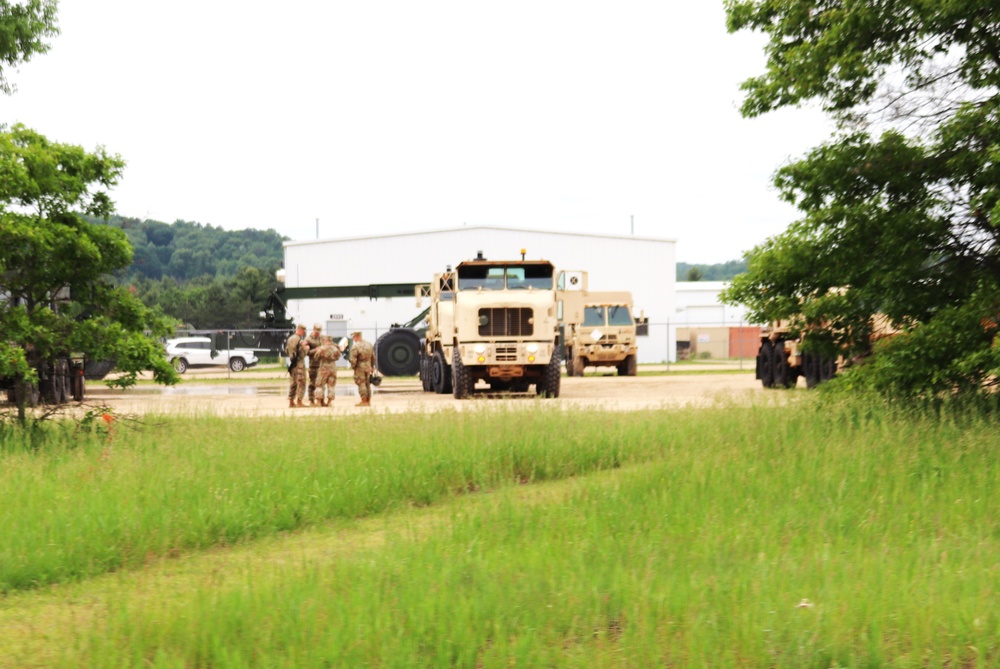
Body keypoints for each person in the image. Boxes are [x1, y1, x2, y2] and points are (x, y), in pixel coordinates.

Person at [348, 330, 375, 407]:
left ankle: (364, 401)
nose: (354, 339)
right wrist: (372, 366)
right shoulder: (369, 345)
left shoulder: (356, 346)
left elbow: (353, 359)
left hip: (360, 367)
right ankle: (368, 401)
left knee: (361, 383)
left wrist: (354, 367)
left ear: (356, 337)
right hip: (368, 366)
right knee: (367, 384)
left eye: (354, 337)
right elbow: (373, 357)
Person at [313, 334, 342, 406]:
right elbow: (338, 357)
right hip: (333, 368)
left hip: (323, 368)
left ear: (325, 340)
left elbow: (316, 357)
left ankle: (319, 402)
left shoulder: (322, 348)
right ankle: (330, 402)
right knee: (331, 385)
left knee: (319, 385)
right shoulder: (335, 349)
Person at [285, 323, 309, 408]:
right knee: (301, 382)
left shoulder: (290, 339)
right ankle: (299, 401)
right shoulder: (299, 340)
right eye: (304, 331)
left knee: (293, 383)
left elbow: (287, 351)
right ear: (300, 330)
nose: (304, 332)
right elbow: (302, 353)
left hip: (292, 364)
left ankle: (291, 401)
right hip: (299, 364)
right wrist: (306, 348)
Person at [305, 323, 324, 406]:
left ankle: (320, 400)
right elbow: (307, 352)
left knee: (321, 384)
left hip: (322, 365)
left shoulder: (322, 338)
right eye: (316, 331)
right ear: (313, 330)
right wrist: (316, 350)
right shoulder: (308, 339)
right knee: (313, 383)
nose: (318, 333)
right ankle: (311, 400)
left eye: (319, 331)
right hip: (313, 365)